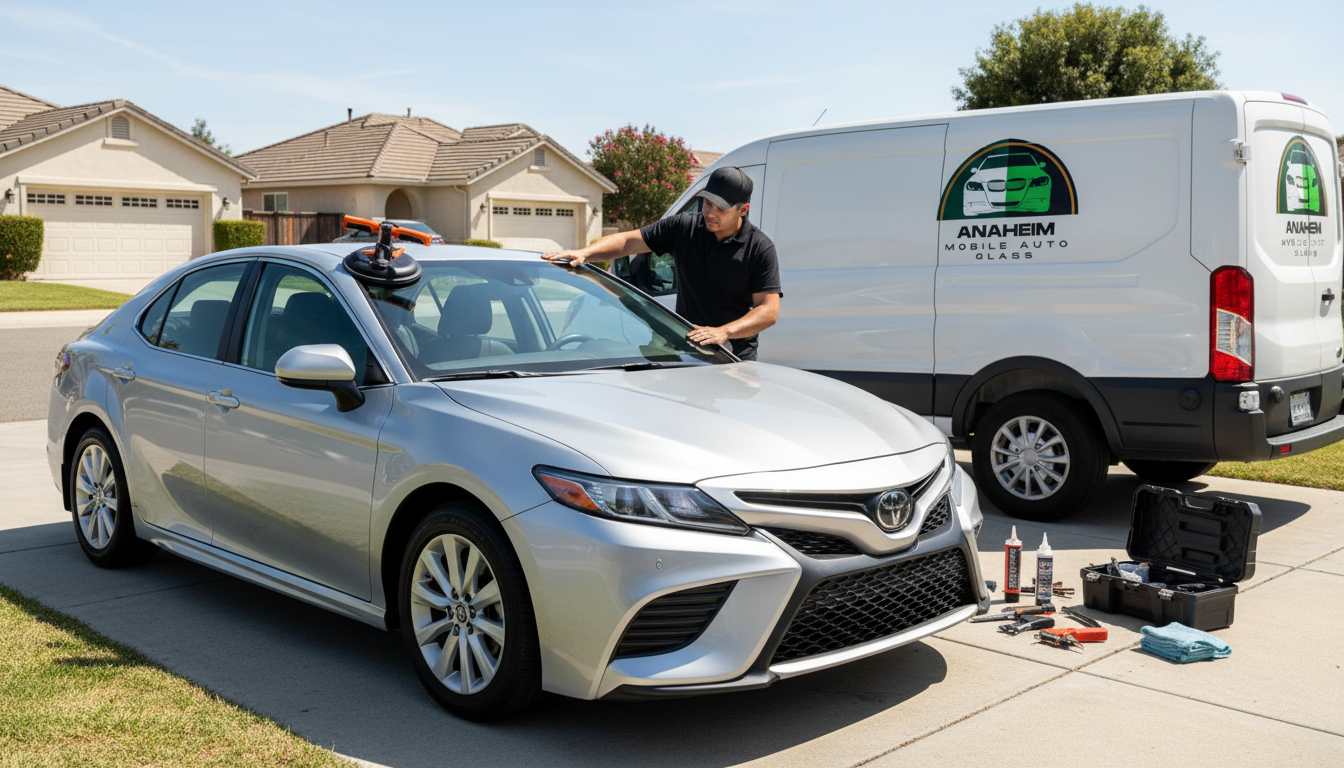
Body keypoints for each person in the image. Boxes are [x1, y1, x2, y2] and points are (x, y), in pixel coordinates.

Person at [540, 167, 782, 361]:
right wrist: (585, 253)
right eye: (707, 203)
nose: (710, 213)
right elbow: (628, 241)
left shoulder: (760, 248)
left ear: (743, 210)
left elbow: (769, 311)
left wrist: (723, 332)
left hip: (733, 358)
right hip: (687, 353)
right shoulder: (684, 227)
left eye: (720, 209)